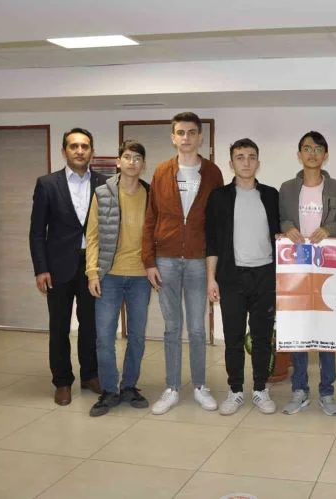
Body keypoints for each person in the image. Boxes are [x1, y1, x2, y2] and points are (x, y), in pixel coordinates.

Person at [142, 112, 224, 415]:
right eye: (180, 132)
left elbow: (218, 221)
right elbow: (150, 217)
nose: (186, 137)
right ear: (173, 137)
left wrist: (217, 264)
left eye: (191, 132)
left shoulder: (213, 173)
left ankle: (200, 386)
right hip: (165, 259)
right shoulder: (162, 171)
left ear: (200, 137)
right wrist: (149, 261)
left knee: (198, 328)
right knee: (172, 327)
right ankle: (172, 387)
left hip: (198, 260)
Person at [29, 127, 107, 405]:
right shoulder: (47, 184)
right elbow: (37, 232)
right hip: (58, 268)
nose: (79, 151)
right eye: (74, 146)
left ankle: (90, 375)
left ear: (92, 151)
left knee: (91, 326)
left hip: (92, 268)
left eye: (85, 146)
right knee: (59, 327)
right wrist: (41, 268)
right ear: (64, 151)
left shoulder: (105, 183)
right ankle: (62, 381)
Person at [206, 138, 280, 416]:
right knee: (234, 337)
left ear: (258, 162)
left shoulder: (270, 195)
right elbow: (212, 242)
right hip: (231, 276)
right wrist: (211, 278)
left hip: (265, 275)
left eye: (251, 157)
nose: (246, 162)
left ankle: (260, 389)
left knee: (262, 337)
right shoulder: (219, 197)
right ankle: (235, 390)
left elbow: (280, 234)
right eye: (240, 157)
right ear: (231, 163)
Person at [278, 131, 336, 416]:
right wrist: (287, 227)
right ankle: (299, 389)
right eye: (307, 149)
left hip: (326, 266)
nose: (312, 154)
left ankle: (327, 391)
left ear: (325, 155)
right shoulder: (287, 188)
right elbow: (281, 217)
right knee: (299, 329)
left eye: (318, 149)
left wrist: (329, 230)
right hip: (296, 266)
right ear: (299, 154)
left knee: (326, 330)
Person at [85, 140, 151, 417]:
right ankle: (109, 390)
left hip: (140, 277)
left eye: (137, 158)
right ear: (118, 161)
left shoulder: (151, 194)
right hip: (109, 276)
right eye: (127, 157)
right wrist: (92, 272)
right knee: (104, 337)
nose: (132, 162)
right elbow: (92, 236)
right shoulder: (102, 193)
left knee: (137, 336)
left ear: (143, 164)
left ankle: (129, 386)